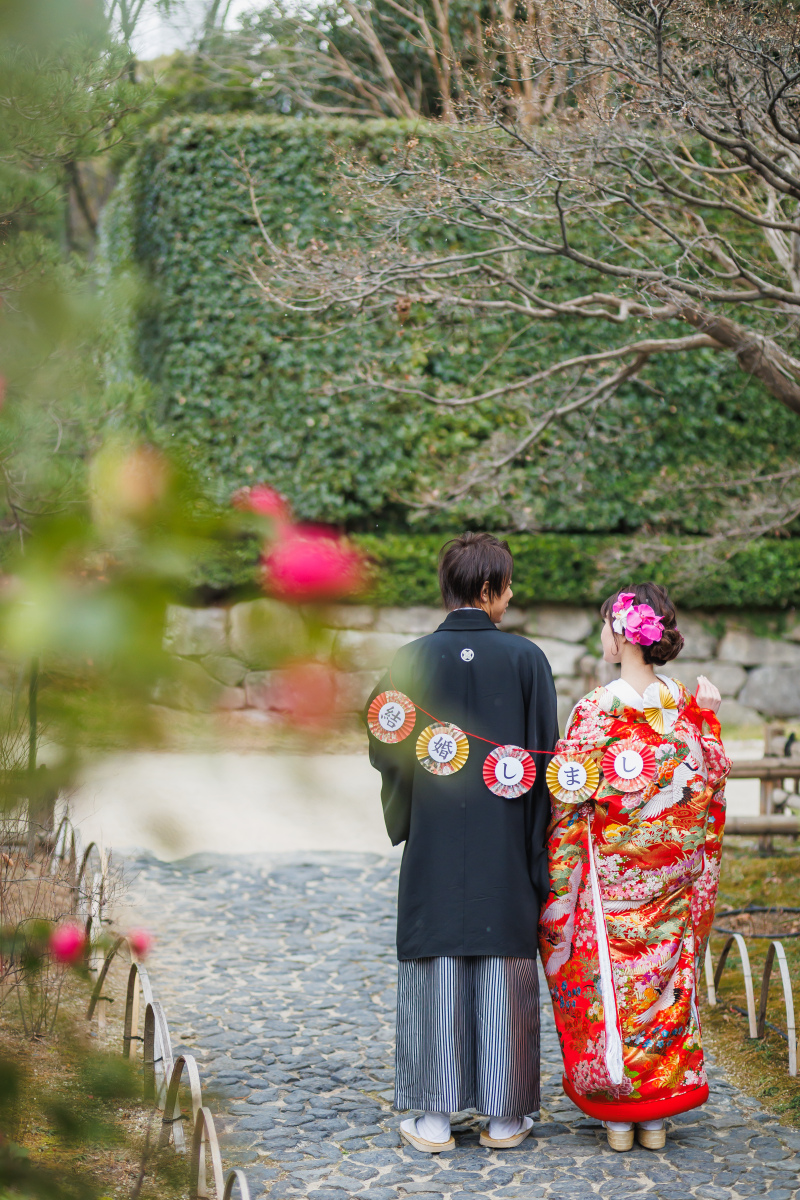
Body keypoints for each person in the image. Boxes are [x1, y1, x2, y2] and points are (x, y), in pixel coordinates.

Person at [364, 532, 558, 1153]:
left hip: (436, 842)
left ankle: (434, 1119)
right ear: (488, 588)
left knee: (438, 959)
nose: (512, 595)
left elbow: (384, 744)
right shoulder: (527, 659)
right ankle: (504, 1117)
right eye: (507, 584)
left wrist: (413, 793)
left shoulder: (410, 659)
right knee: (504, 961)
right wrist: (537, 845)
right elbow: (546, 760)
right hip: (505, 847)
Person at [539, 583, 730, 1152]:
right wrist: (710, 718)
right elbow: (709, 785)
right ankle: (657, 1116)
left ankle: (619, 1115)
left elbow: (569, 800)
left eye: (605, 625)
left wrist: (561, 881)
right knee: (666, 986)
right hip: (672, 879)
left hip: (610, 884)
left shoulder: (596, 709)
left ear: (622, 635)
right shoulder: (685, 706)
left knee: (613, 990)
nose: (602, 635)